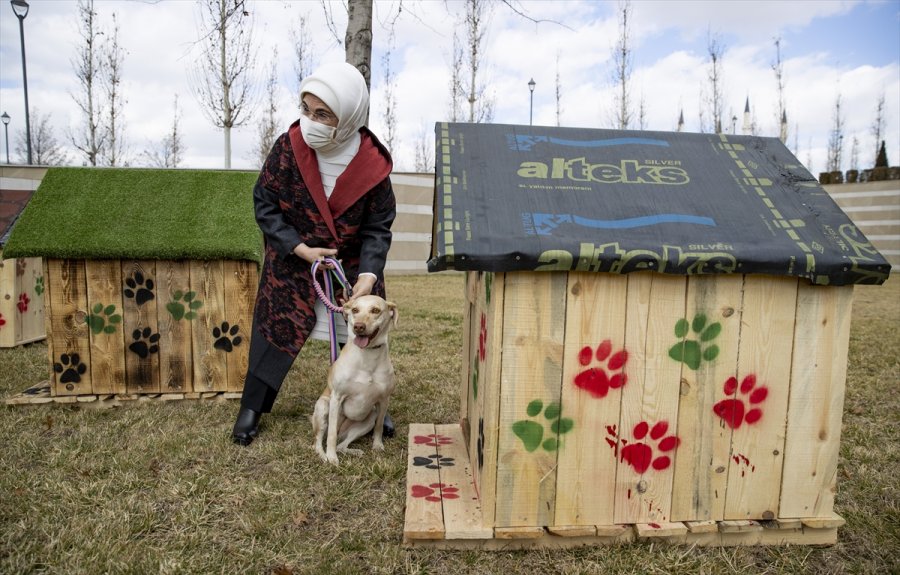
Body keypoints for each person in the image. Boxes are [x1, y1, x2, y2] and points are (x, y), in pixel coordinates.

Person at [232, 61, 396, 446]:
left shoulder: (374, 165)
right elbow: (265, 202)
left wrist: (368, 276)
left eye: (322, 114)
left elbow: (378, 226)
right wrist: (298, 247)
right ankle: (252, 407)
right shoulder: (288, 148)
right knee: (273, 330)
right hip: (294, 261)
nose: (310, 121)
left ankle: (374, 409)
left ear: (349, 116)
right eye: (306, 109)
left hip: (351, 268)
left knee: (365, 335)